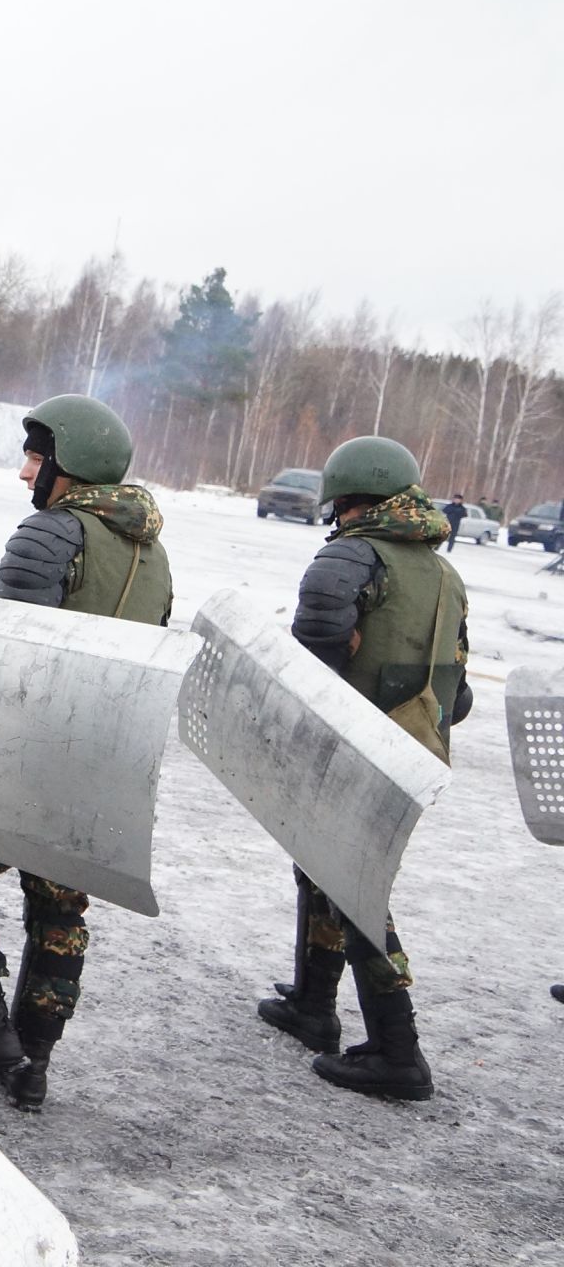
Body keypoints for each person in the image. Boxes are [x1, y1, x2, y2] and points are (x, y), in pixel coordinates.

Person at [0, 395, 171, 1111]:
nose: (26, 474)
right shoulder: (154, 551)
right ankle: (33, 1063)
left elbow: (11, 658)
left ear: (69, 463)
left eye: (37, 456)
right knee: (59, 908)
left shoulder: (48, 535)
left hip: (35, 760)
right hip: (106, 765)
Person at [256, 435, 470, 1102]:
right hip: (414, 755)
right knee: (325, 871)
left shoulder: (348, 557)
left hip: (349, 752)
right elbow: (458, 697)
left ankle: (397, 1052)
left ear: (343, 493)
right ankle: (313, 1007)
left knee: (356, 892)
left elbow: (307, 670)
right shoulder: (446, 574)